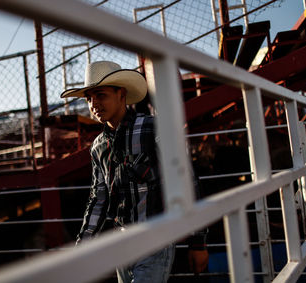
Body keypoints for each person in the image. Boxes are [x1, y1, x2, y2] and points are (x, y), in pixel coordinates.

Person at [61, 61, 208, 283]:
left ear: (121, 94)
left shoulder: (153, 128)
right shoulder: (99, 147)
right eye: (89, 98)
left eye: (100, 95)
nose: (94, 104)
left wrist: (198, 242)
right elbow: (98, 199)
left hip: (156, 237)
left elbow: (186, 180)